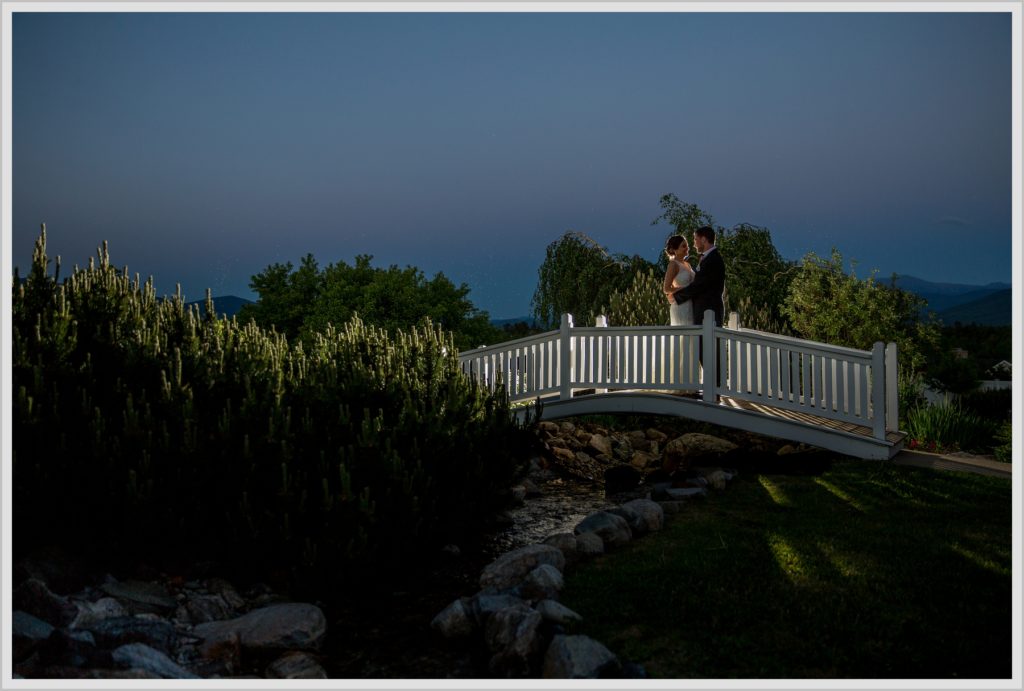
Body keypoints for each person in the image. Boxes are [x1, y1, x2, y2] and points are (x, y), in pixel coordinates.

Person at [672, 226, 725, 328]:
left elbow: (699, 285)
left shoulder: (713, 259)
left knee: (706, 343)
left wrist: (676, 297)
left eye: (696, 239)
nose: (694, 244)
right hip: (703, 311)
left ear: (704, 239)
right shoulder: (707, 258)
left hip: (709, 310)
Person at [663, 235, 695, 326]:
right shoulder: (673, 264)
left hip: (690, 304)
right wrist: (683, 289)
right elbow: (666, 289)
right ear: (675, 250)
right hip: (680, 305)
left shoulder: (687, 265)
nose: (687, 248)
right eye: (683, 246)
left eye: (687, 245)